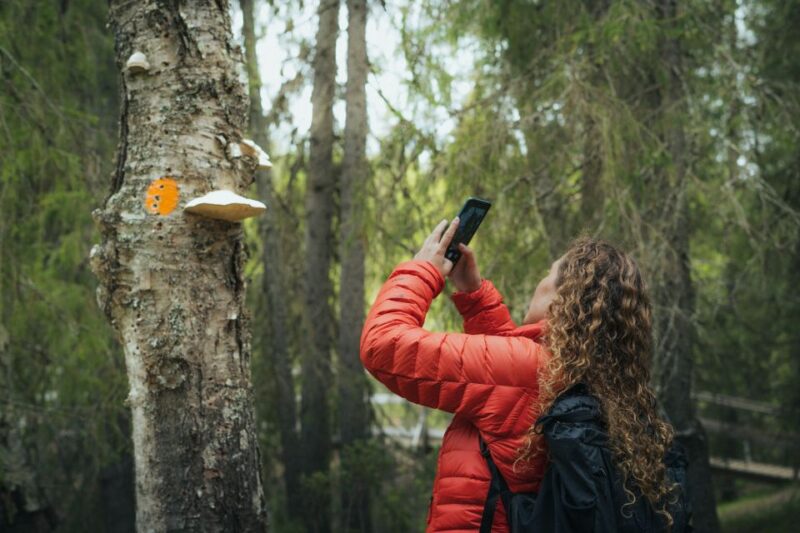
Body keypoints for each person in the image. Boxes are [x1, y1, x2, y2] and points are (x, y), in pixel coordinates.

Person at [360, 218, 679, 532]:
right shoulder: (593, 378)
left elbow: (383, 346)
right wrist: (475, 297)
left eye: (548, 274)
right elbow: (504, 396)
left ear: (564, 298)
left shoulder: (530, 369)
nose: (541, 282)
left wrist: (422, 271)